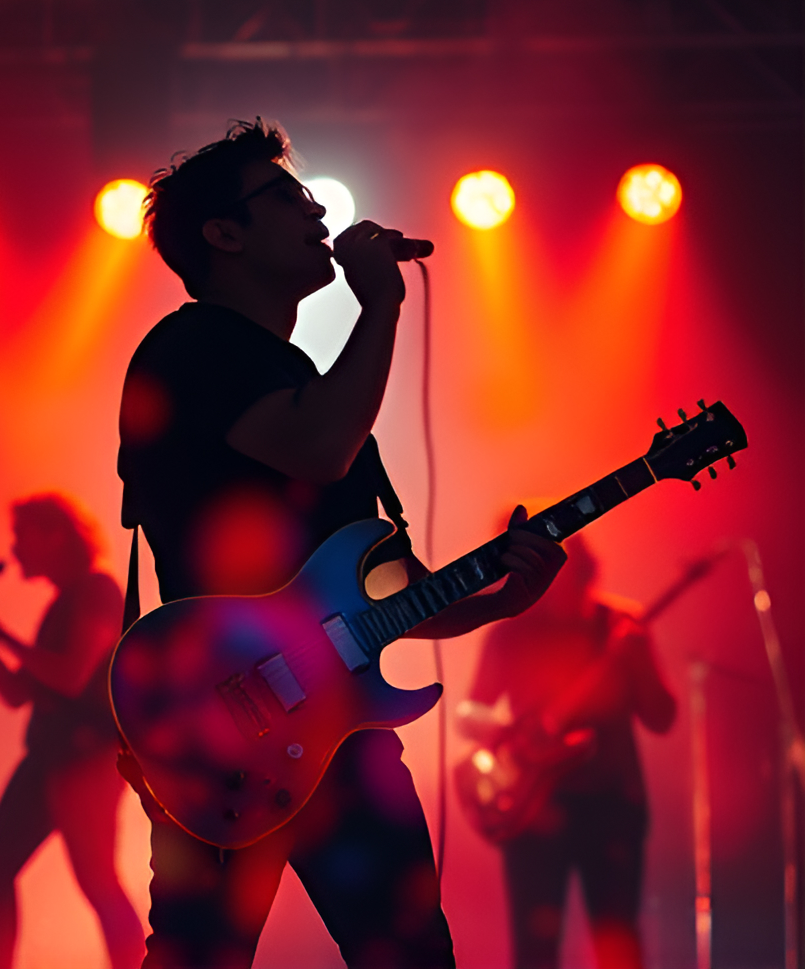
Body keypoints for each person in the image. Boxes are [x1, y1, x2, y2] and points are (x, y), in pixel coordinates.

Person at [115, 118, 567, 969]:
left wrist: (499, 602)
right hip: (221, 725)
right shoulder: (196, 348)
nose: (319, 212)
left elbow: (381, 594)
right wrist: (381, 304)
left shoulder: (302, 378)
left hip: (337, 733)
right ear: (224, 234)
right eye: (288, 197)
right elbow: (319, 447)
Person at [0, 494, 145, 969]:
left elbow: (72, 675)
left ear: (55, 535)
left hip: (86, 761)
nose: (14, 551)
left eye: (22, 536)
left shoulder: (98, 592)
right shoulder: (60, 607)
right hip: (48, 758)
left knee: (97, 882)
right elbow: (17, 692)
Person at [462, 536, 677, 969]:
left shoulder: (622, 625)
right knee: (535, 949)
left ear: (584, 572)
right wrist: (510, 732)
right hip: (534, 810)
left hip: (613, 806)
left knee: (618, 944)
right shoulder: (511, 631)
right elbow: (469, 712)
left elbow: (661, 718)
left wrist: (637, 662)